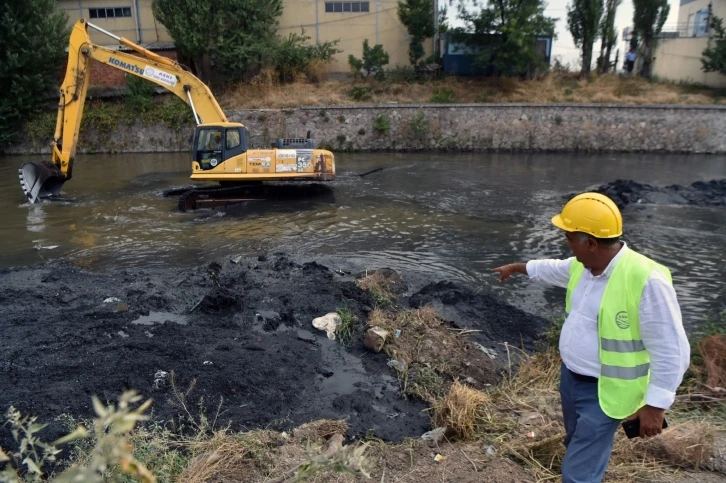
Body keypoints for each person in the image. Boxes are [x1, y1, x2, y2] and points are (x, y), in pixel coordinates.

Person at [492, 192, 689, 483]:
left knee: (579, 473)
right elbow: (552, 268)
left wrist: (655, 406)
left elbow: (672, 350)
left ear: (591, 243)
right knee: (576, 442)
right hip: (571, 380)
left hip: (606, 391)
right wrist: (517, 268)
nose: (566, 245)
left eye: (570, 238)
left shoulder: (646, 280)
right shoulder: (581, 268)